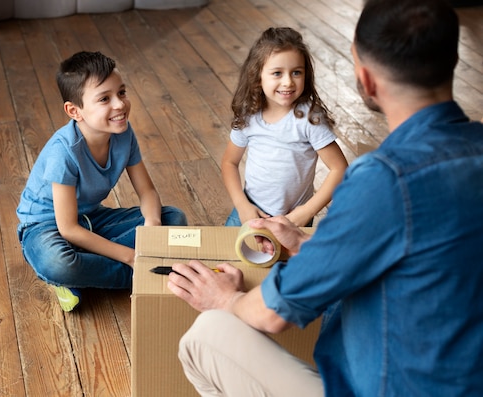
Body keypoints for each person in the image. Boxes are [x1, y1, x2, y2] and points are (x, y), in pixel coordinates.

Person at [167, 0, 483, 395]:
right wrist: (311, 242)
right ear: (454, 58)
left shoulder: (383, 181)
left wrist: (225, 299)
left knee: (207, 334)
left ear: (365, 79)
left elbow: (272, 313)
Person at [16, 51, 187, 312]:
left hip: (91, 218)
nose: (119, 105)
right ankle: (142, 273)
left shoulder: (123, 133)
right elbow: (68, 229)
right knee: (58, 263)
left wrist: (152, 226)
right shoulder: (64, 152)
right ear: (75, 111)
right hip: (45, 227)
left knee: (173, 219)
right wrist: (132, 257)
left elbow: (148, 192)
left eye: (122, 92)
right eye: (104, 99)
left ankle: (88, 273)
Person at [222, 27, 348, 227]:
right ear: (257, 77)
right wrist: (242, 205)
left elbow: (339, 168)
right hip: (250, 209)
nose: (288, 82)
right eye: (277, 73)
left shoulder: (310, 118)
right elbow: (229, 163)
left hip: (293, 218)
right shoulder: (249, 115)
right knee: (228, 254)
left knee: (287, 260)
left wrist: (306, 211)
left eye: (296, 72)